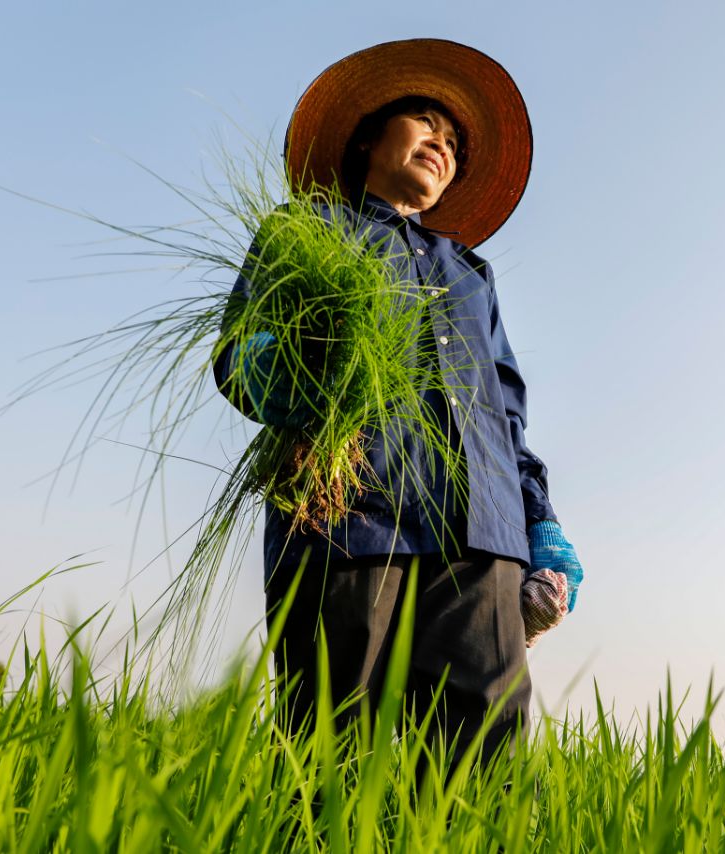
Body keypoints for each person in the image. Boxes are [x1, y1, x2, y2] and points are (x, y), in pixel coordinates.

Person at [214, 39, 583, 770]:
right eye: (424, 123)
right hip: (347, 516)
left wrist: (541, 530)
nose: (440, 145)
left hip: (482, 542)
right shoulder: (308, 232)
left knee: (482, 768)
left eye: (453, 144)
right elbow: (240, 356)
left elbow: (504, 420)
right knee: (327, 751)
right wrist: (309, 392)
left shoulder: (471, 278)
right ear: (366, 138)